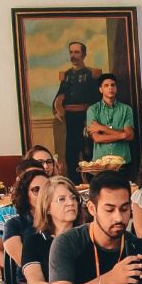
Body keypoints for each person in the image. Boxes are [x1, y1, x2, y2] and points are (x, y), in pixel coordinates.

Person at [10, 175, 87, 284]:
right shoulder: (34, 242)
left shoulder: (88, 236)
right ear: (47, 208)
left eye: (73, 198)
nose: (71, 203)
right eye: (61, 199)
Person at [52, 41, 102, 180]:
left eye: (77, 52)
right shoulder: (67, 75)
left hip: (86, 118)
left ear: (84, 54)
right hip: (70, 120)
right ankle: (74, 184)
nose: (73, 55)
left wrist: (90, 118)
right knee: (71, 154)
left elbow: (96, 99)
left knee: (88, 153)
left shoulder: (91, 75)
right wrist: (57, 110)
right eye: (71, 52)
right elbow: (59, 96)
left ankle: (92, 184)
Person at [0, 166, 47, 269]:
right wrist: (14, 270)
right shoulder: (14, 223)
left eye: (47, 189)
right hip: (30, 276)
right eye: (36, 190)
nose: (43, 194)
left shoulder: (59, 219)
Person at [85, 73, 135, 167]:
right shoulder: (92, 110)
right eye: (106, 85)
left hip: (123, 162)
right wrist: (123, 134)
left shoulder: (126, 109)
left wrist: (102, 128)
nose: (110, 88)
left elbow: (130, 136)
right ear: (100, 89)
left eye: (113, 85)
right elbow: (97, 138)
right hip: (101, 163)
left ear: (116, 88)